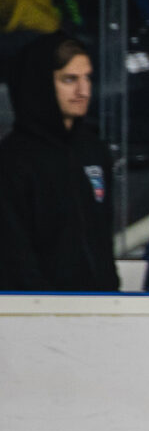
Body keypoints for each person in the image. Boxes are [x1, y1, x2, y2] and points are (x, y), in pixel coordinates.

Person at [0, 33, 117, 292]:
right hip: (34, 314)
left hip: (101, 311)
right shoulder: (12, 160)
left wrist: (111, 295)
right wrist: (43, 310)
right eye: (69, 79)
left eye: (87, 77)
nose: (83, 91)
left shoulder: (94, 151)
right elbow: (14, 254)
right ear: (41, 84)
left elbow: (103, 241)